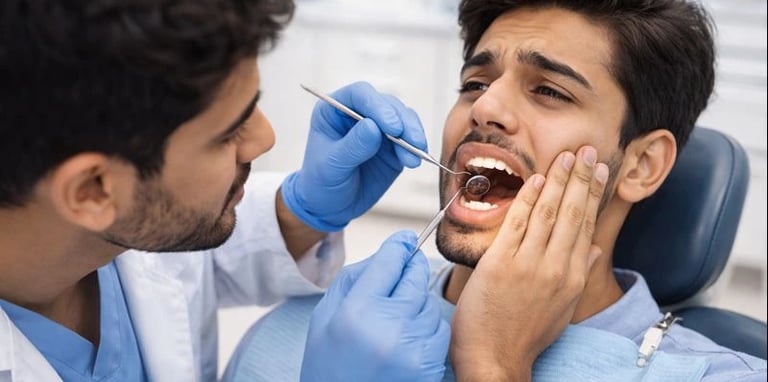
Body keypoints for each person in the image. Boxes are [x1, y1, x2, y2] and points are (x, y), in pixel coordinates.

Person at [221, 0, 767, 381]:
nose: (484, 108)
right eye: (475, 84)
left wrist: (494, 367)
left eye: (549, 91)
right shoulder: (297, 338)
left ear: (642, 166)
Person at [0, 0, 464, 381]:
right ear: (94, 190)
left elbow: (187, 254)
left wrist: (301, 212)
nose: (265, 139)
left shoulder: (112, 232)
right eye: (227, 132)